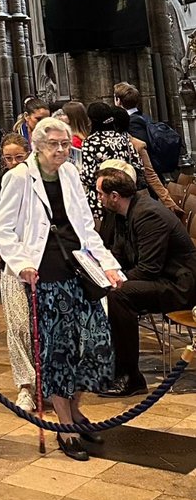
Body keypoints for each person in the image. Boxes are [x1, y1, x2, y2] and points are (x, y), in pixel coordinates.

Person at [0, 117, 122, 460]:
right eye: (54, 144)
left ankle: (76, 409)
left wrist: (108, 263)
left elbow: (85, 226)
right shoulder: (19, 177)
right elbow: (2, 228)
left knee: (95, 344)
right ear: (37, 145)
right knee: (58, 350)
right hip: (43, 271)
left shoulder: (70, 174)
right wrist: (22, 264)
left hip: (77, 267)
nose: (62, 150)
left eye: (65, 144)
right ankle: (65, 425)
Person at [98, 160, 196, 397]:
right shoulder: (123, 213)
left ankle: (131, 378)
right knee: (100, 289)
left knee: (119, 296)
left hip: (179, 285)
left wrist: (113, 282)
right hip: (160, 278)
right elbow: (119, 256)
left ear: (114, 195)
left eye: (100, 193)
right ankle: (107, 368)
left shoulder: (148, 214)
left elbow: (148, 269)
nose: (98, 197)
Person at [0, 134, 37, 408]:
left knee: (42, 326)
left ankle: (46, 382)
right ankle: (25, 385)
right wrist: (11, 254)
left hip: (41, 263)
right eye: (9, 158)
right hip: (13, 266)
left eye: (20, 157)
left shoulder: (38, 182)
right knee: (18, 326)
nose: (15, 163)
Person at [80, 101, 140, 215]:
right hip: (125, 197)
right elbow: (138, 165)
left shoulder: (91, 142)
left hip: (101, 200)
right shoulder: (123, 139)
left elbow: (88, 176)